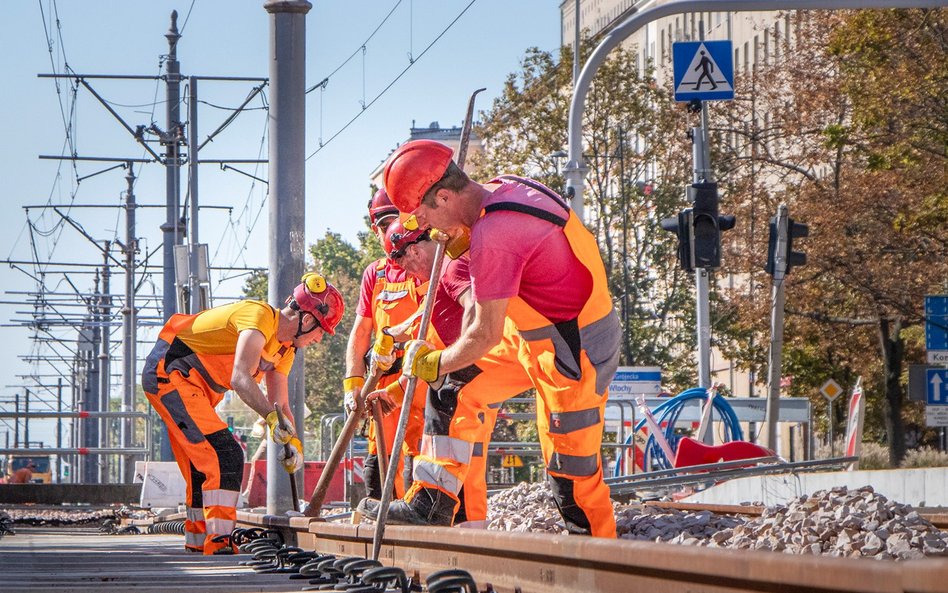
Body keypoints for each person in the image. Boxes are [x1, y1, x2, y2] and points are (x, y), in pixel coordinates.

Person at [374, 139, 621, 538]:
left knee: (571, 473)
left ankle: (599, 557)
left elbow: (484, 333)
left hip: (574, 348)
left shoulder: (495, 233)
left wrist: (432, 361)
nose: (426, 229)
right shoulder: (501, 191)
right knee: (454, 386)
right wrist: (465, 239)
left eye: (423, 216)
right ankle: (432, 501)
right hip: (529, 335)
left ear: (444, 197)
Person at [142, 272, 344, 554]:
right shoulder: (259, 317)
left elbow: (280, 405)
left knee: (203, 464)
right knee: (226, 454)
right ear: (307, 320)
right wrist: (273, 421)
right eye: (321, 331)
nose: (319, 340)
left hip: (192, 387)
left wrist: (293, 443)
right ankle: (219, 541)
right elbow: (240, 379)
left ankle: (199, 542)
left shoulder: (285, 351)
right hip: (170, 373)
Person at [360, 219, 530, 527]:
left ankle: (433, 508)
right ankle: (463, 533)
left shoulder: (451, 269)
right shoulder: (440, 283)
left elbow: (472, 309)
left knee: (449, 407)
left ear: (413, 251)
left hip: (499, 355)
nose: (409, 271)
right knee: (462, 459)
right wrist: (395, 381)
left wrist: (457, 363)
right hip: (505, 360)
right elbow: (425, 330)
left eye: (405, 262)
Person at [343, 189, 427, 500]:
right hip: (384, 380)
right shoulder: (375, 273)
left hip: (422, 376)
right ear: (376, 229)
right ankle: (385, 523)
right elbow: (361, 330)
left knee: (423, 454)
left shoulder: (423, 262)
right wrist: (353, 381)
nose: (392, 232)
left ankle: (417, 524)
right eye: (385, 225)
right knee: (381, 459)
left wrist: (394, 337)